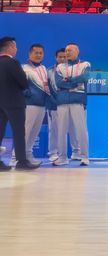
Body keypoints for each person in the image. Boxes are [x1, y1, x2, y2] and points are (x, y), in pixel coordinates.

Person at [0, 37, 39, 171]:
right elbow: (23, 82)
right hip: (14, 102)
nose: (16, 49)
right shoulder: (13, 62)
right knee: (18, 132)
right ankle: (21, 161)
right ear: (10, 47)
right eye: (15, 46)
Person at [54, 43, 91, 166]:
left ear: (77, 51)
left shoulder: (85, 64)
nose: (67, 52)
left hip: (77, 100)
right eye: (66, 50)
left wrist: (69, 80)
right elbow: (59, 83)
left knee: (81, 130)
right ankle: (62, 157)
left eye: (70, 50)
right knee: (61, 131)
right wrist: (75, 82)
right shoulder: (60, 67)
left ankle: (84, 156)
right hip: (63, 101)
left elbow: (85, 78)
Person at [20, 43, 54, 167]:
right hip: (29, 104)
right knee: (26, 131)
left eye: (41, 53)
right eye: (36, 53)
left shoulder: (43, 68)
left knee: (34, 132)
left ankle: (28, 155)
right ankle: (16, 157)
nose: (39, 55)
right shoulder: (24, 68)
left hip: (41, 104)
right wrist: (27, 94)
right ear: (30, 54)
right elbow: (19, 85)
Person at [47, 48, 66, 164]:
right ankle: (53, 153)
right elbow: (47, 88)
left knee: (69, 129)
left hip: (67, 104)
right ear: (56, 57)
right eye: (60, 57)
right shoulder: (49, 71)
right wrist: (54, 101)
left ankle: (74, 152)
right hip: (53, 105)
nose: (62, 59)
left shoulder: (71, 70)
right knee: (53, 130)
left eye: (64, 57)